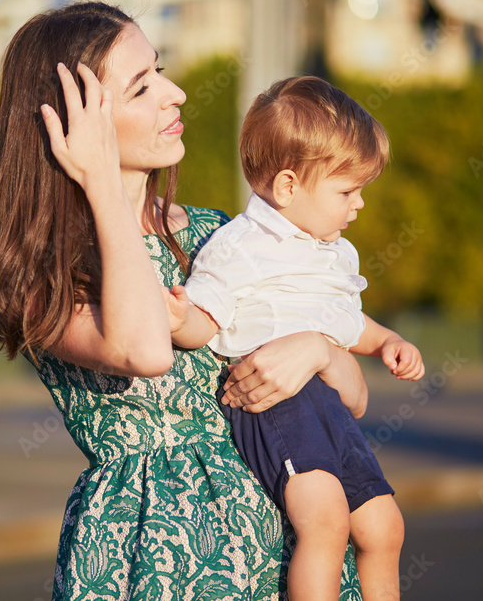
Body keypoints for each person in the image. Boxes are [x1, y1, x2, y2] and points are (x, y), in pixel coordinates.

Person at [0, 2, 367, 600]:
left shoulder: (222, 236)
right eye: (141, 87)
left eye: (161, 71)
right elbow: (145, 348)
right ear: (75, 124)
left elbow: (348, 399)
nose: (174, 94)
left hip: (284, 544)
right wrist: (102, 181)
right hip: (152, 558)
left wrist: (317, 350)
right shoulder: (36, 277)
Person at [164, 76, 425, 601]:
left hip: (327, 403)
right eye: (347, 191)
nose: (359, 205)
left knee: (385, 527)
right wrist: (178, 317)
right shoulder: (240, 245)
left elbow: (347, 322)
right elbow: (208, 319)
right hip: (279, 406)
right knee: (325, 520)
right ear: (287, 187)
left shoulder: (333, 252)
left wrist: (385, 342)